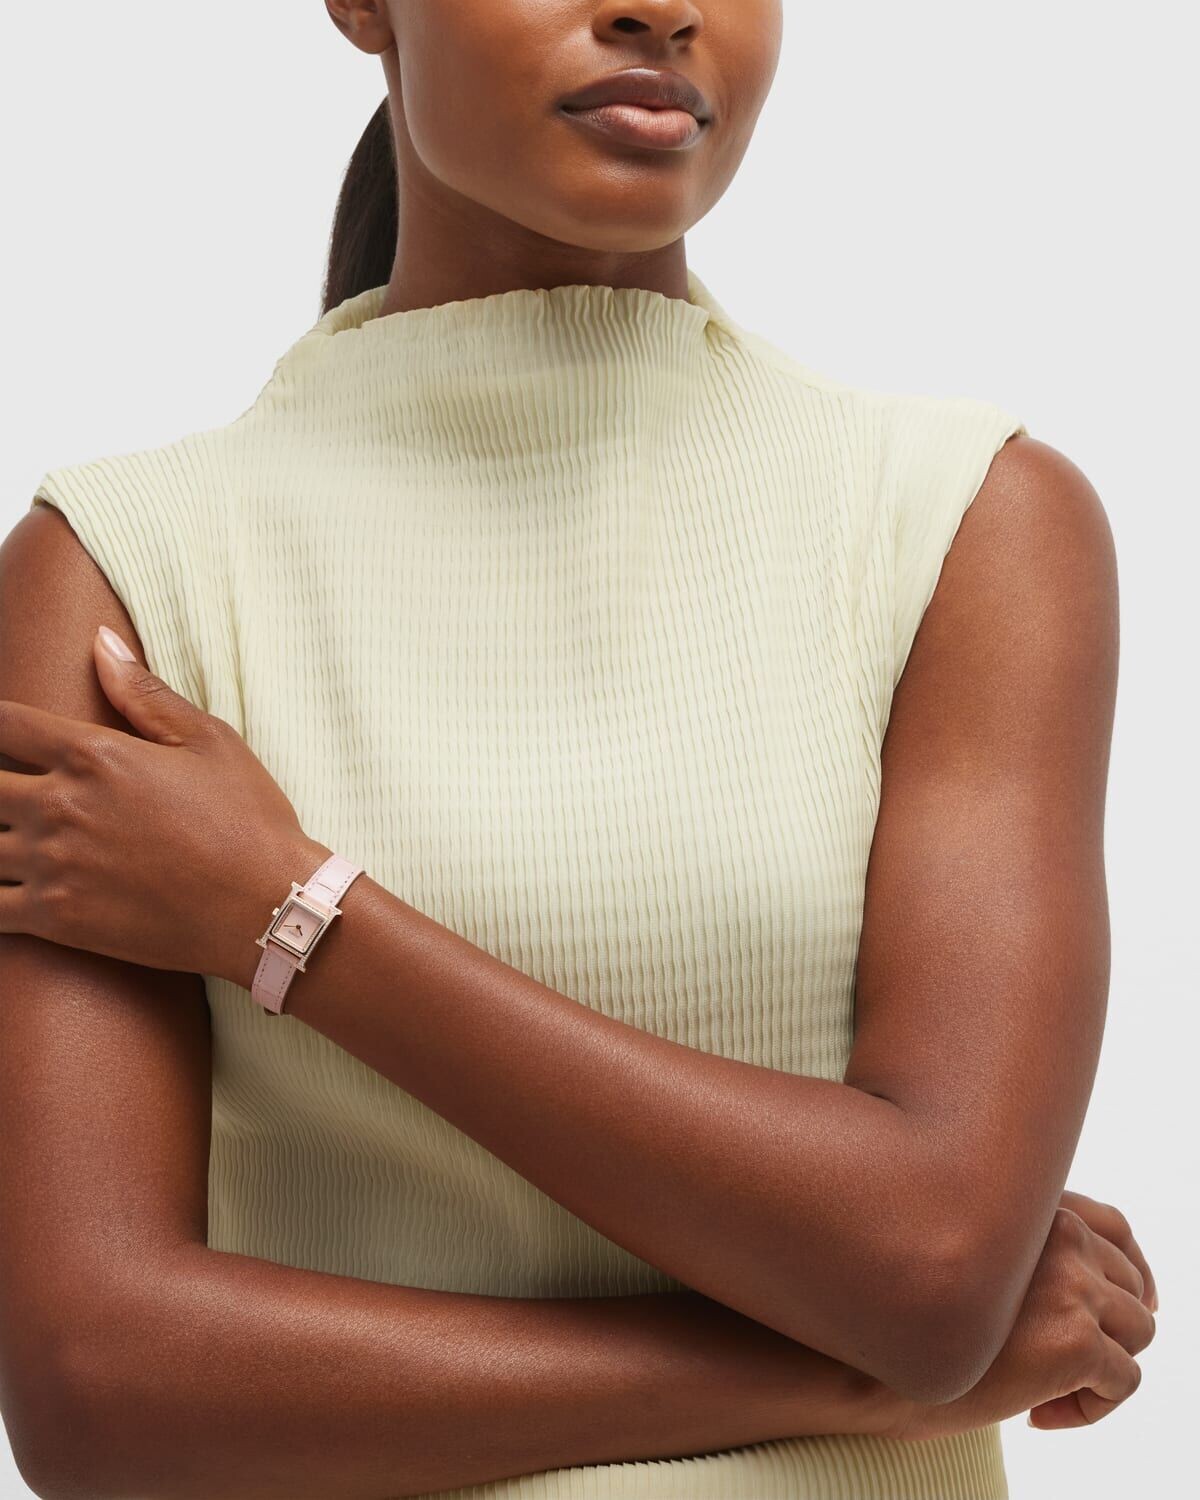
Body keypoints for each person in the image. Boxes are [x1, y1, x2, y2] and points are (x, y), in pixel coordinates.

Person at [0, 3, 1158, 1497]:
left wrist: (291, 917)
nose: (656, 8)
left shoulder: (960, 525)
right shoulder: (122, 573)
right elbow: (99, 1393)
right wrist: (843, 1375)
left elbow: (929, 1265)